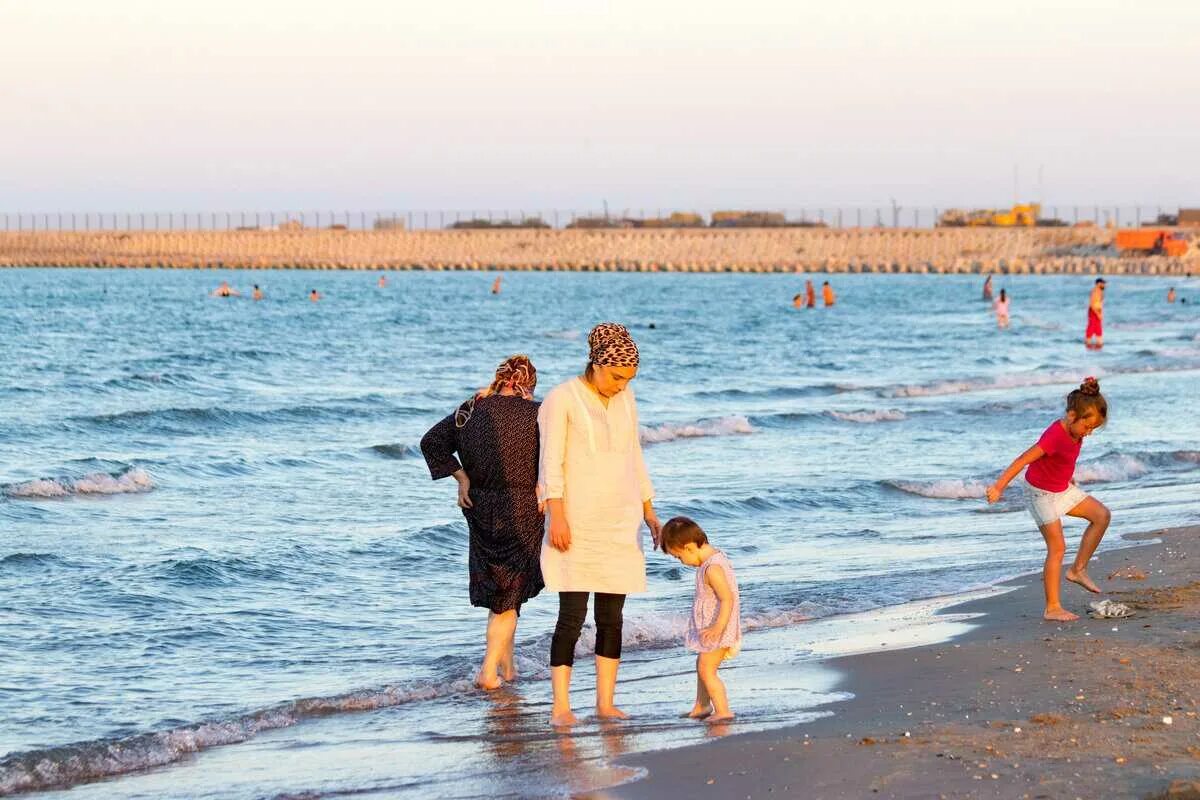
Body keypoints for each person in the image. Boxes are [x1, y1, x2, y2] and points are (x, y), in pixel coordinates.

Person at [538, 322, 661, 726]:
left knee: (612, 617)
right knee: (570, 617)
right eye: (617, 377)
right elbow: (550, 460)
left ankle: (605, 703)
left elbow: (634, 455)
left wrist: (649, 510)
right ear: (596, 364)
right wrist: (556, 512)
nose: (622, 385)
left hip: (620, 521)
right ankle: (561, 707)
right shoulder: (561, 399)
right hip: (576, 521)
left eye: (629, 379)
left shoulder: (626, 400)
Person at [420, 355, 544, 690]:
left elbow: (430, 443)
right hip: (523, 506)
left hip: (480, 504)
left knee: (502, 592)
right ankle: (488, 672)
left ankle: (509, 666)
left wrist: (461, 477)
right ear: (526, 385)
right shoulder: (539, 413)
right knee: (510, 591)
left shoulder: (470, 409)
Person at [985, 378, 1112, 621]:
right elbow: (1024, 459)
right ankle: (1052, 607)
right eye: (1088, 427)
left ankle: (1078, 570)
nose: (1090, 432)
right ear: (1072, 415)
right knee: (1057, 548)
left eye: (1093, 428)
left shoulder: (1077, 431)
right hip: (1040, 495)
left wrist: (1068, 477)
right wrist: (999, 486)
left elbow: (1064, 459)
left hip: (1061, 489)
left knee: (1101, 515)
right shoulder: (1055, 435)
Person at [661, 516, 741, 722]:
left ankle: (723, 710)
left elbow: (727, 599)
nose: (681, 562)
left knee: (707, 669)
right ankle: (701, 705)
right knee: (702, 665)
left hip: (719, 629)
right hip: (713, 628)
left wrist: (717, 627)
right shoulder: (712, 560)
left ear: (688, 547)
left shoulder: (712, 568)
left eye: (678, 557)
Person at [1085, 278, 1105, 349]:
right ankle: (1088, 343)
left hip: (1097, 311)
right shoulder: (1095, 292)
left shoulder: (1099, 291)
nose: (1104, 285)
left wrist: (1101, 313)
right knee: (1091, 327)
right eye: (1103, 284)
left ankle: (1099, 344)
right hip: (1094, 311)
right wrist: (1098, 313)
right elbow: (1092, 304)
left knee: (1098, 328)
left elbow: (1099, 303)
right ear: (1098, 284)